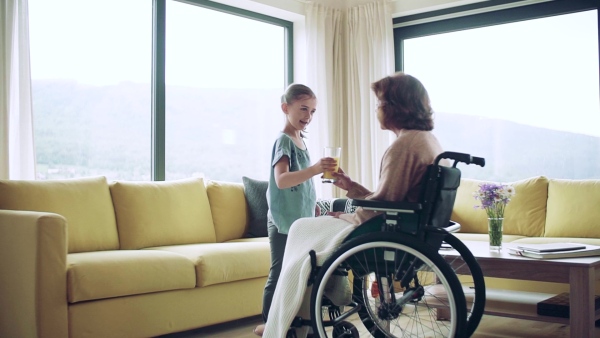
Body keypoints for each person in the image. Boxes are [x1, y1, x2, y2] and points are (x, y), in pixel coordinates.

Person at [261, 72, 445, 338]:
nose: (377, 109)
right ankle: (300, 312)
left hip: (385, 229)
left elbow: (381, 205)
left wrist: (347, 217)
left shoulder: (403, 146)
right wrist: (349, 186)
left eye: (380, 103)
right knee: (308, 230)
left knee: (303, 229)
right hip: (404, 226)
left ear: (394, 107)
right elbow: (388, 198)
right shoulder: (426, 141)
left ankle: (290, 320)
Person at [254, 84, 338, 337]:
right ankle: (270, 325)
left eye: (312, 111)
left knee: (300, 272)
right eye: (303, 109)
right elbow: (282, 180)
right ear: (285, 108)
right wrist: (315, 168)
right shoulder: (283, 141)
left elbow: (304, 187)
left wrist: (317, 211)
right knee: (279, 271)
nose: (308, 116)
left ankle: (296, 320)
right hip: (282, 220)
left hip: (301, 220)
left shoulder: (300, 140)